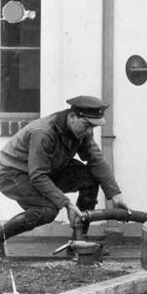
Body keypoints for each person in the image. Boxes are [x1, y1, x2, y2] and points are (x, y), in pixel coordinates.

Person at [0, 96, 130, 256]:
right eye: (87, 125)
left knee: (89, 179)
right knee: (47, 210)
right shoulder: (43, 133)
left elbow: (96, 160)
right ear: (73, 116)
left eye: (93, 127)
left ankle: (79, 240)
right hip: (13, 174)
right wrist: (66, 203)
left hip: (47, 170)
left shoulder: (80, 131)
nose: (90, 131)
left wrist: (115, 195)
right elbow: (38, 176)